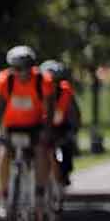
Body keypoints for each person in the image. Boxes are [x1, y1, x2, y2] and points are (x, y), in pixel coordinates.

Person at [0, 44, 53, 220]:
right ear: (11, 68)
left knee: (41, 150)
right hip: (11, 126)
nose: (22, 73)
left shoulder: (43, 80)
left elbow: (50, 108)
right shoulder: (4, 80)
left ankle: (39, 193)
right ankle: (4, 195)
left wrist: (46, 131)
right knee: (4, 153)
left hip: (35, 125)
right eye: (17, 69)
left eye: (26, 68)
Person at [42, 59, 79, 188]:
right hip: (45, 126)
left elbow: (74, 113)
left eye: (55, 82)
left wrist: (73, 131)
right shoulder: (38, 91)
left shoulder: (66, 92)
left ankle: (65, 174)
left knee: (67, 146)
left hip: (62, 127)